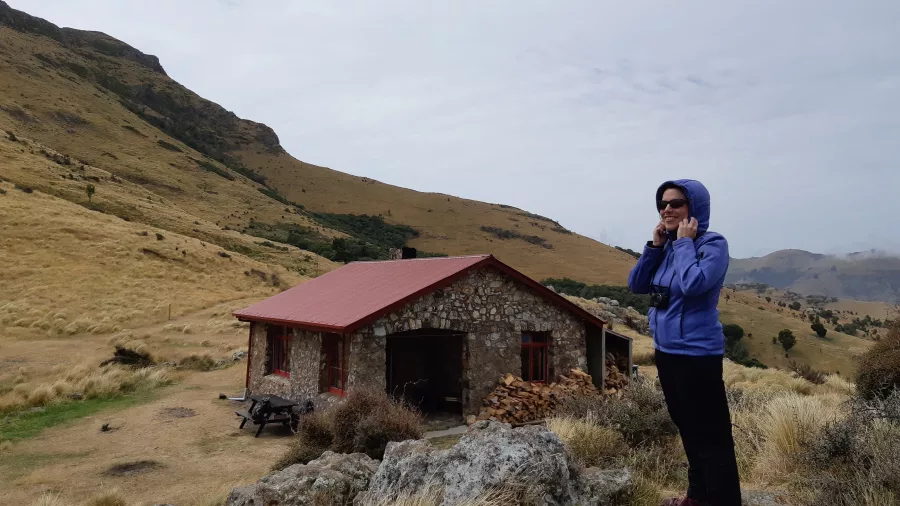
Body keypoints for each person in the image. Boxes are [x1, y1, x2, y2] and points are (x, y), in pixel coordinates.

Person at [627, 179, 741, 506]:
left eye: (676, 203)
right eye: (663, 203)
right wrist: (654, 247)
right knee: (687, 427)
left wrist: (684, 244)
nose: (667, 209)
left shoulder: (712, 244)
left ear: (694, 207)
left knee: (712, 435)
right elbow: (636, 284)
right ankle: (698, 496)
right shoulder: (669, 246)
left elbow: (693, 285)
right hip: (667, 351)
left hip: (698, 355)